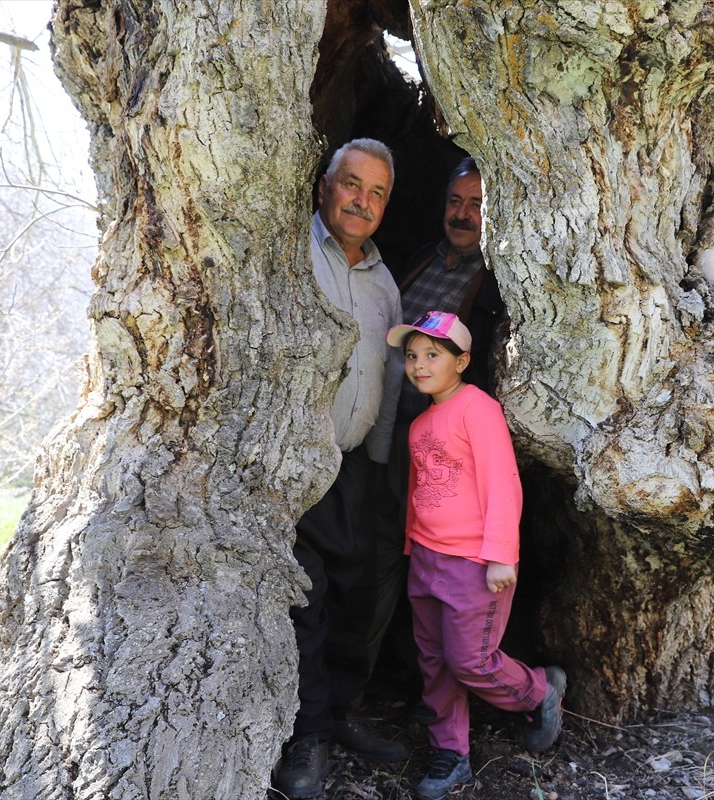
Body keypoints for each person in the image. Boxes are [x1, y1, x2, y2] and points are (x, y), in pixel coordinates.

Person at [273, 138, 407, 800]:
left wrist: (378, 467)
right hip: (297, 463)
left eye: (377, 192)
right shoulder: (292, 253)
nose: (362, 201)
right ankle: (308, 735)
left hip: (357, 467)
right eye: (352, 184)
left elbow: (391, 376)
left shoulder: (384, 283)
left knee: (358, 596)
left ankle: (343, 711)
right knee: (307, 600)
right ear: (325, 184)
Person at [385, 310, 565, 800]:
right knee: (434, 660)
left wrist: (501, 554)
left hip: (474, 562)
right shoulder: (420, 424)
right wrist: (412, 546)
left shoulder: (477, 409)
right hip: (427, 559)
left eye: (433, 354)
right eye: (412, 356)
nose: (420, 365)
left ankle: (539, 690)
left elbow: (501, 482)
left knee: (471, 660)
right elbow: (420, 492)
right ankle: (451, 753)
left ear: (462, 361)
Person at [365, 157, 507, 688]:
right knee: (384, 549)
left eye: (477, 205)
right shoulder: (422, 258)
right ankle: (383, 672)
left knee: (430, 561)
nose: (463, 214)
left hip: (447, 447)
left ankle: (430, 674)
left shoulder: (497, 279)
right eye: (455, 201)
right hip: (388, 431)